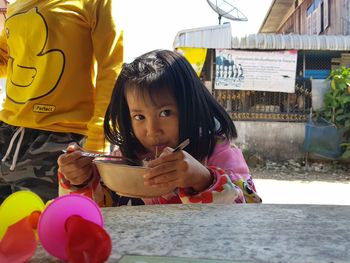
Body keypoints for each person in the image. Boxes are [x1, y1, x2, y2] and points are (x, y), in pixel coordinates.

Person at [58, 49, 262, 206]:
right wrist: (81, 180)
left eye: (165, 113)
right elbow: (96, 213)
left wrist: (204, 179)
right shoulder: (124, 161)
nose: (152, 129)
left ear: (191, 107)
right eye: (139, 116)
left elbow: (248, 211)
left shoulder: (218, 153)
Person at [0, 0, 123, 203]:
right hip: (7, 134)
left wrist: (97, 141)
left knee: (49, 232)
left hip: (60, 146)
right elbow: (7, 58)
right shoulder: (17, 4)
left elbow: (111, 69)